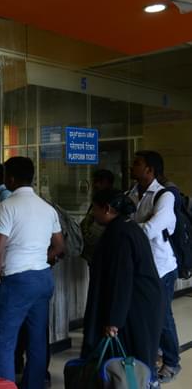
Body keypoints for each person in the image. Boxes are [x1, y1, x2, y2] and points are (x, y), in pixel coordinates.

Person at [0, 156, 64, 389]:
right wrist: (42, 258)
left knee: (3, 340)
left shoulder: (6, 206)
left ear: (10, 178)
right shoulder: (47, 207)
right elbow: (59, 246)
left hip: (16, 280)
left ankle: (5, 386)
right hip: (42, 279)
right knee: (37, 340)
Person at [81, 188, 164, 387]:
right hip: (139, 304)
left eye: (95, 209)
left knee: (131, 363)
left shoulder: (120, 235)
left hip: (135, 308)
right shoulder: (127, 227)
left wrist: (113, 321)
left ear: (107, 209)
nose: (93, 214)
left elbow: (121, 279)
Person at [128, 150, 181, 383]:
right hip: (142, 267)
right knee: (148, 315)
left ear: (149, 169)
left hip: (162, 268)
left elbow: (150, 230)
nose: (132, 166)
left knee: (162, 316)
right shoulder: (132, 193)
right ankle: (156, 351)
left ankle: (172, 362)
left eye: (137, 164)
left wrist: (126, 231)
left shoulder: (164, 196)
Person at [80, 169, 115, 264]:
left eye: (99, 182)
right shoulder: (97, 200)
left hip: (102, 253)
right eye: (95, 181)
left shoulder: (111, 203)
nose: (96, 185)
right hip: (92, 254)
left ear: (107, 183)